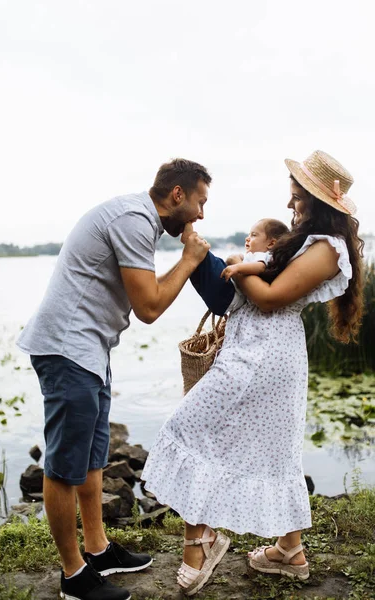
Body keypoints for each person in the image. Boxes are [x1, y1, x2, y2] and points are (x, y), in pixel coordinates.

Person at [141, 150, 364, 596]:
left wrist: (234, 268)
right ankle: (289, 551)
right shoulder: (309, 242)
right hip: (259, 349)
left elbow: (269, 298)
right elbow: (264, 283)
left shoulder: (328, 250)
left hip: (264, 355)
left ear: (319, 202)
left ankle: (198, 542)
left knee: (193, 427)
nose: (290, 206)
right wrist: (240, 265)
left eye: (297, 198)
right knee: (275, 451)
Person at [16, 158, 212, 600]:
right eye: (200, 202)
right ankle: (73, 575)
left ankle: (98, 549)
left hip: (89, 349)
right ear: (177, 195)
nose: (201, 214)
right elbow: (149, 307)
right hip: (67, 347)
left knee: (91, 457)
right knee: (65, 465)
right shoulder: (134, 221)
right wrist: (190, 258)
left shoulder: (137, 219)